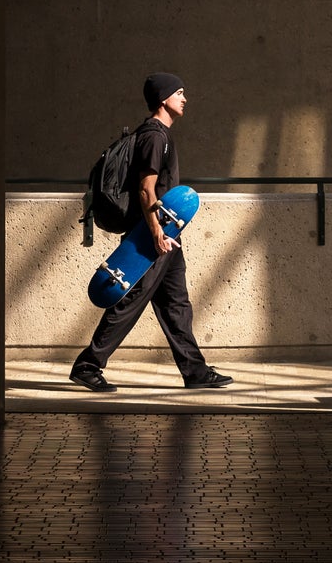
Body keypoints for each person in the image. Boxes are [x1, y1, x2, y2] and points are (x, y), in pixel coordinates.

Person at [69, 72, 234, 394]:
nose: (185, 99)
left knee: (176, 304)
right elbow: (146, 189)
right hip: (151, 236)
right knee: (129, 300)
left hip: (166, 234)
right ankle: (88, 365)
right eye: (180, 93)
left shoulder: (161, 135)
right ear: (164, 98)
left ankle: (195, 370)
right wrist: (156, 233)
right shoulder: (155, 136)